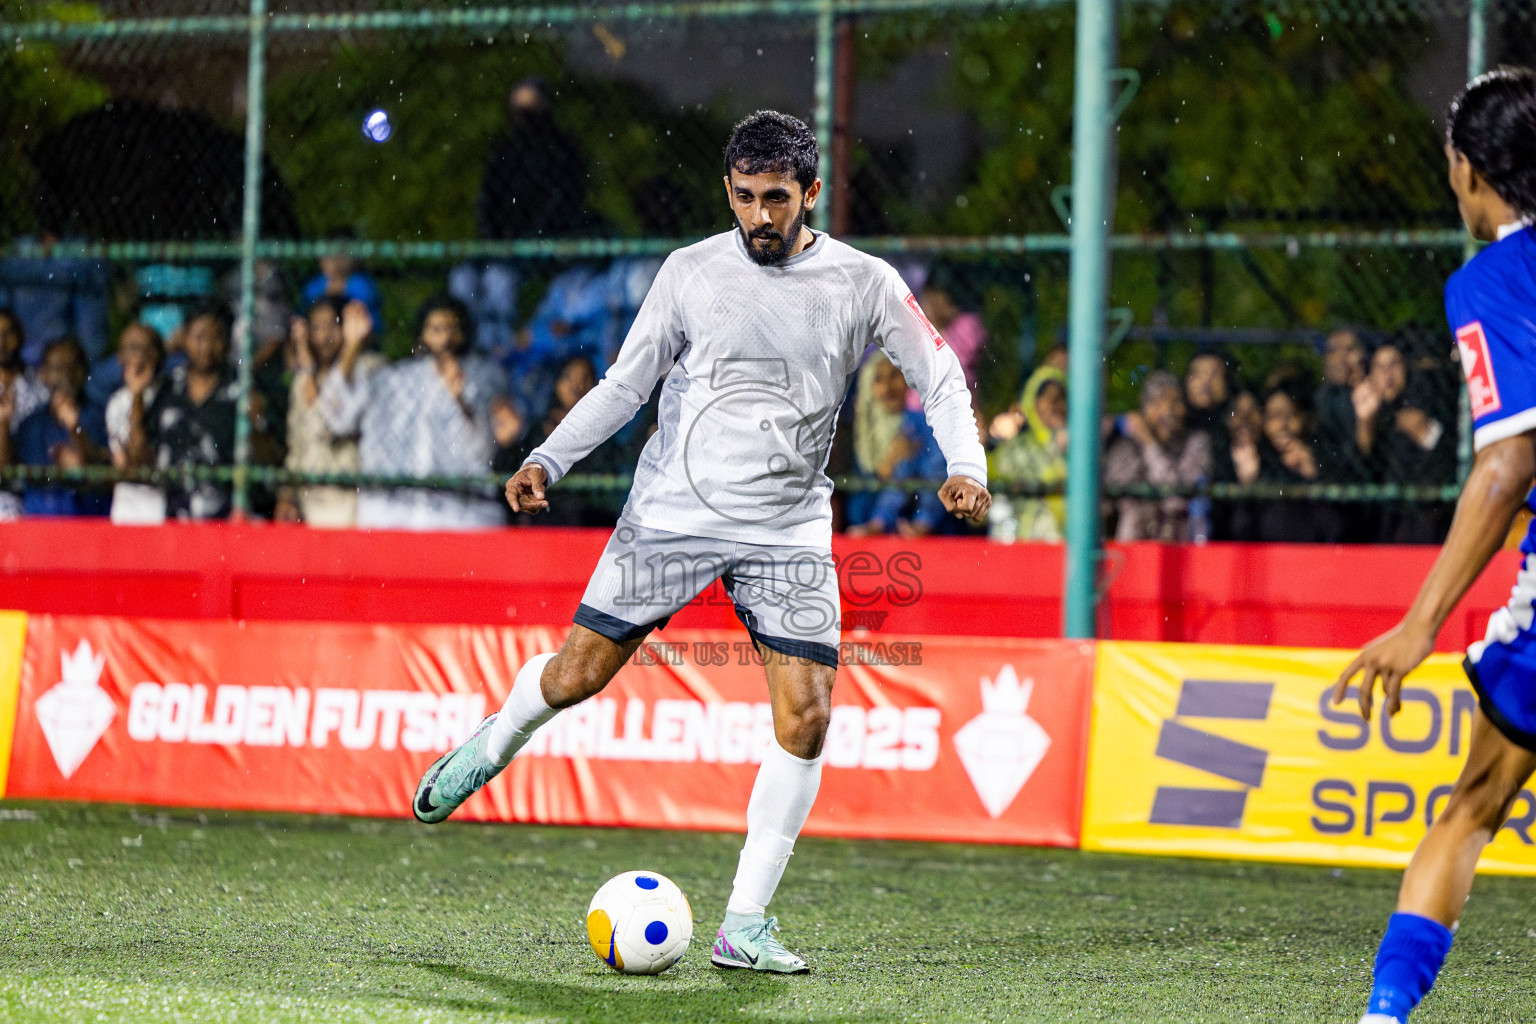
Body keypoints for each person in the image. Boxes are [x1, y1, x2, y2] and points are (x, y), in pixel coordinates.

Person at [412, 111, 989, 974]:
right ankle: (493, 743)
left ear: (811, 196)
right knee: (577, 677)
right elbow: (625, 384)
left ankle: (745, 925)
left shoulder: (864, 282)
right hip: (672, 514)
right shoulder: (689, 272)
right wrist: (547, 458)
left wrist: (966, 462)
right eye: (747, 197)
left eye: (778, 200)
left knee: (809, 715)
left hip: (789, 527)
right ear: (729, 190)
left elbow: (938, 373)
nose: (761, 215)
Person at [1332, 67, 1536, 1024]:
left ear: (1468, 169)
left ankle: (1383, 1016)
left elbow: (1506, 465)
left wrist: (1419, 625)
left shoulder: (1494, 277)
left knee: (1473, 805)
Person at [347, 296, 507, 529]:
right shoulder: (396, 378)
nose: (446, 338)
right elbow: (339, 418)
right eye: (436, 329)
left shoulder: (485, 375)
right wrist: (352, 345)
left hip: (461, 512)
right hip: (398, 511)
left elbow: (482, 452)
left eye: (453, 329)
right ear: (422, 335)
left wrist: (460, 400)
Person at [127, 305, 254, 520]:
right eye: (199, 337)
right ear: (184, 338)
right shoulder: (168, 388)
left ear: (227, 341)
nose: (206, 346)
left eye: (216, 337)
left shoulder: (240, 391)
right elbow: (140, 456)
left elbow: (266, 456)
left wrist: (256, 423)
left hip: (227, 520)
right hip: (175, 519)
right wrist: (137, 396)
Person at [280, 297, 383, 528]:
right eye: (316, 327)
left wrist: (349, 349)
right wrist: (287, 495)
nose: (323, 337)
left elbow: (326, 423)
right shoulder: (302, 382)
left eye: (332, 326)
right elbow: (296, 444)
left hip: (350, 502)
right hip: (310, 502)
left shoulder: (369, 369)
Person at [844, 353, 949, 537]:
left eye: (894, 376)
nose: (887, 388)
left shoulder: (922, 425)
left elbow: (935, 477)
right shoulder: (860, 430)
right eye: (878, 379)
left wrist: (923, 522)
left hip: (926, 533)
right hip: (871, 528)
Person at [4, 336, 110, 516]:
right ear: (43, 374)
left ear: (84, 371)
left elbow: (98, 464)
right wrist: (2, 425)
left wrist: (75, 429)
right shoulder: (31, 424)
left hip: (88, 522)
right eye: (57, 368)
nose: (65, 375)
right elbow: (6, 468)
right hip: (37, 524)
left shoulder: (99, 416)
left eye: (72, 367)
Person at [1103, 370, 1213, 541]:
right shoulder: (1127, 445)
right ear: (1143, 410)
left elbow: (1175, 500)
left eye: (1175, 402)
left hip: (1178, 549)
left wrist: (1150, 445)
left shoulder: (1196, 443)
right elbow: (1111, 500)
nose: (1167, 411)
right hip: (1132, 549)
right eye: (1156, 402)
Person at [477, 77, 589, 240]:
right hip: (510, 242)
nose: (523, 118)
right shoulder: (505, 154)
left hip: (555, 240)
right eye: (520, 110)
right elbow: (488, 203)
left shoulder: (561, 151)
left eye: (530, 109)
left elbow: (569, 196)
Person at [987, 364, 1067, 542]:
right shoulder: (1017, 446)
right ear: (1034, 402)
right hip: (1013, 541)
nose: (1054, 406)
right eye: (1048, 399)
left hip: (1056, 543)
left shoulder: (1078, 446)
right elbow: (991, 475)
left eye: (1060, 399)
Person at [104, 323, 167, 524]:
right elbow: (130, 463)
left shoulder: (172, 395)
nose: (140, 355)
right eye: (132, 347)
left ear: (159, 355)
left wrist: (137, 394)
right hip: (127, 512)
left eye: (147, 348)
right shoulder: (116, 403)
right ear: (119, 356)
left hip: (164, 509)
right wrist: (136, 394)